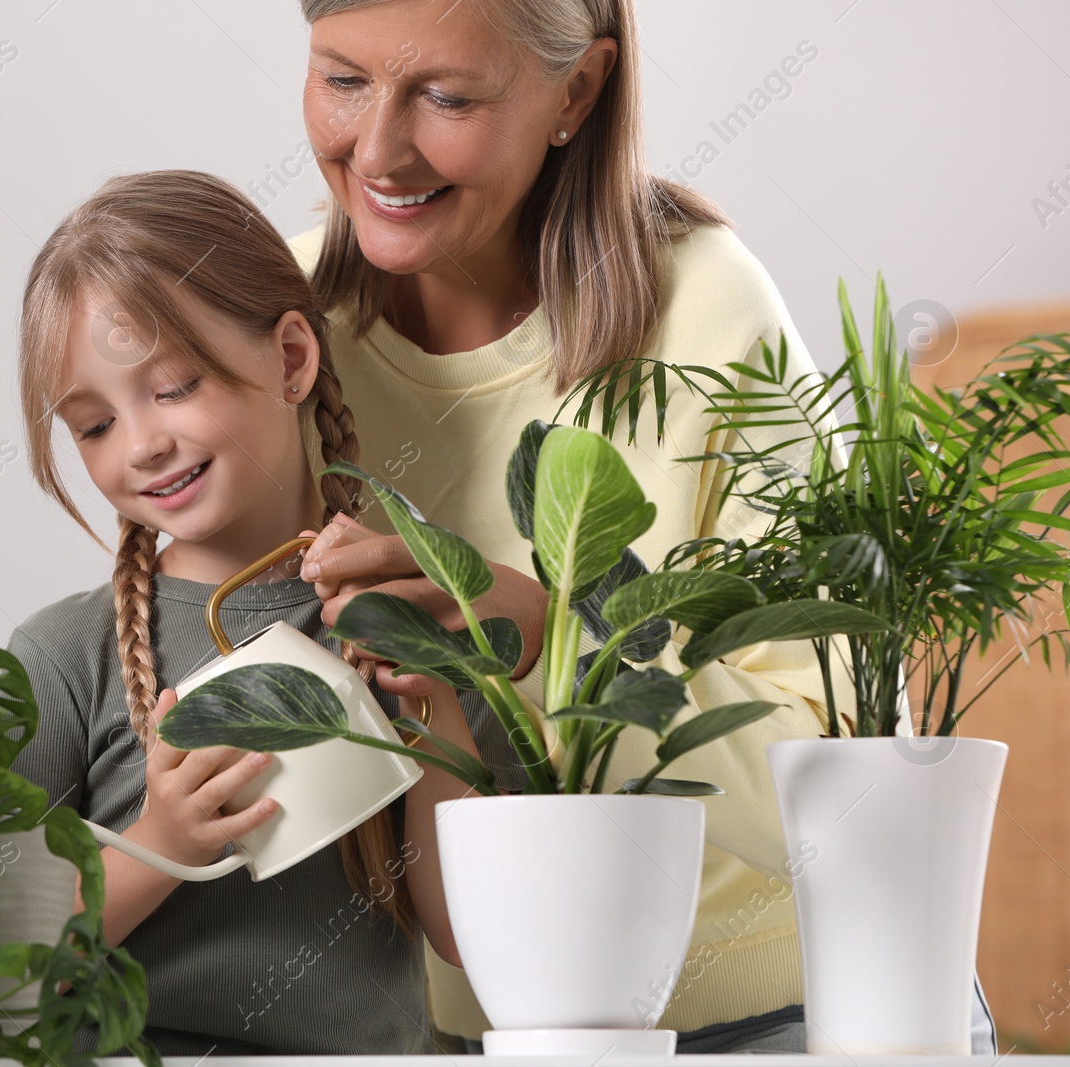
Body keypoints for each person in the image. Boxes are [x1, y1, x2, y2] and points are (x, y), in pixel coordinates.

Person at [285, 0, 997, 1054]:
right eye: (343, 79)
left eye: (445, 96)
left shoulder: (706, 307)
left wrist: (554, 634)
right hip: (444, 1031)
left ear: (576, 91)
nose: (378, 148)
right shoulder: (281, 325)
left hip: (778, 1014)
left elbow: (848, 768)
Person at [5, 169, 523, 1056]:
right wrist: (163, 840)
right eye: (93, 425)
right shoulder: (62, 655)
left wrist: (433, 692)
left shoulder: (406, 606)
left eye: (173, 388)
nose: (142, 444)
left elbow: (473, 937)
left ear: (291, 358)